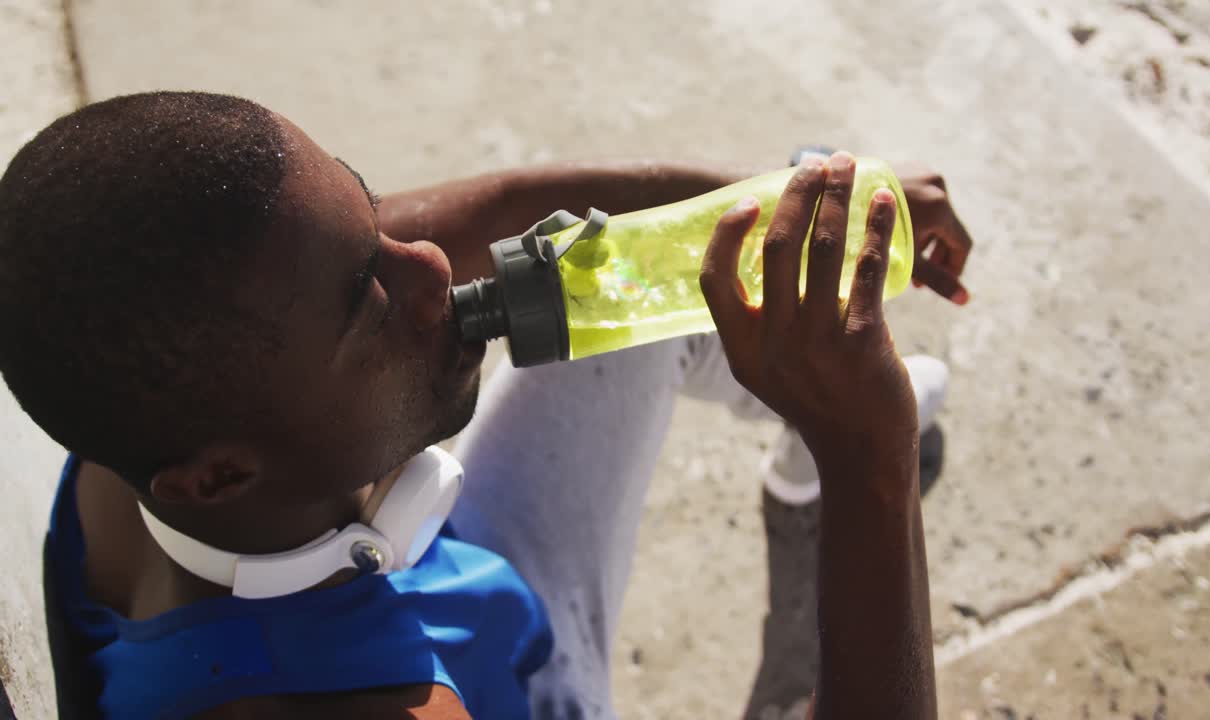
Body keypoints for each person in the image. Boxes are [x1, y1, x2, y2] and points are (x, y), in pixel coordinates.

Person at [0, 92, 971, 719]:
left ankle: (810, 409)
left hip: (429, 582)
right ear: (218, 475)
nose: (424, 265)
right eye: (363, 298)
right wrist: (867, 464)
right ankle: (826, 451)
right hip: (507, 686)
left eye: (367, 210)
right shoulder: (386, 707)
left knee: (628, 278)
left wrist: (798, 205)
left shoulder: (145, 413)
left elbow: (505, 210)